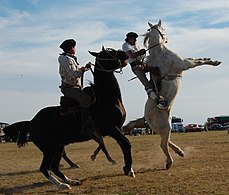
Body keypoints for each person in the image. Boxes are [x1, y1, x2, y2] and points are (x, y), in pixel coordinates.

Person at [58, 38, 98, 133]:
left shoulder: (69, 59)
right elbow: (74, 74)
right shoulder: (66, 59)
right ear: (72, 48)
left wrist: (85, 68)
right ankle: (85, 125)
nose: (75, 49)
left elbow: (76, 72)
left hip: (75, 87)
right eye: (74, 47)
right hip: (69, 88)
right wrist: (82, 70)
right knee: (86, 99)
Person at [122, 32, 167, 109]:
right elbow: (132, 56)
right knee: (146, 84)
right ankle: (157, 100)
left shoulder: (136, 45)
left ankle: (158, 88)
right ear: (130, 38)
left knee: (156, 70)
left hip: (143, 64)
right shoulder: (126, 45)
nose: (135, 40)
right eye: (134, 38)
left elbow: (141, 55)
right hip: (136, 67)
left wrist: (142, 53)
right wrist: (140, 52)